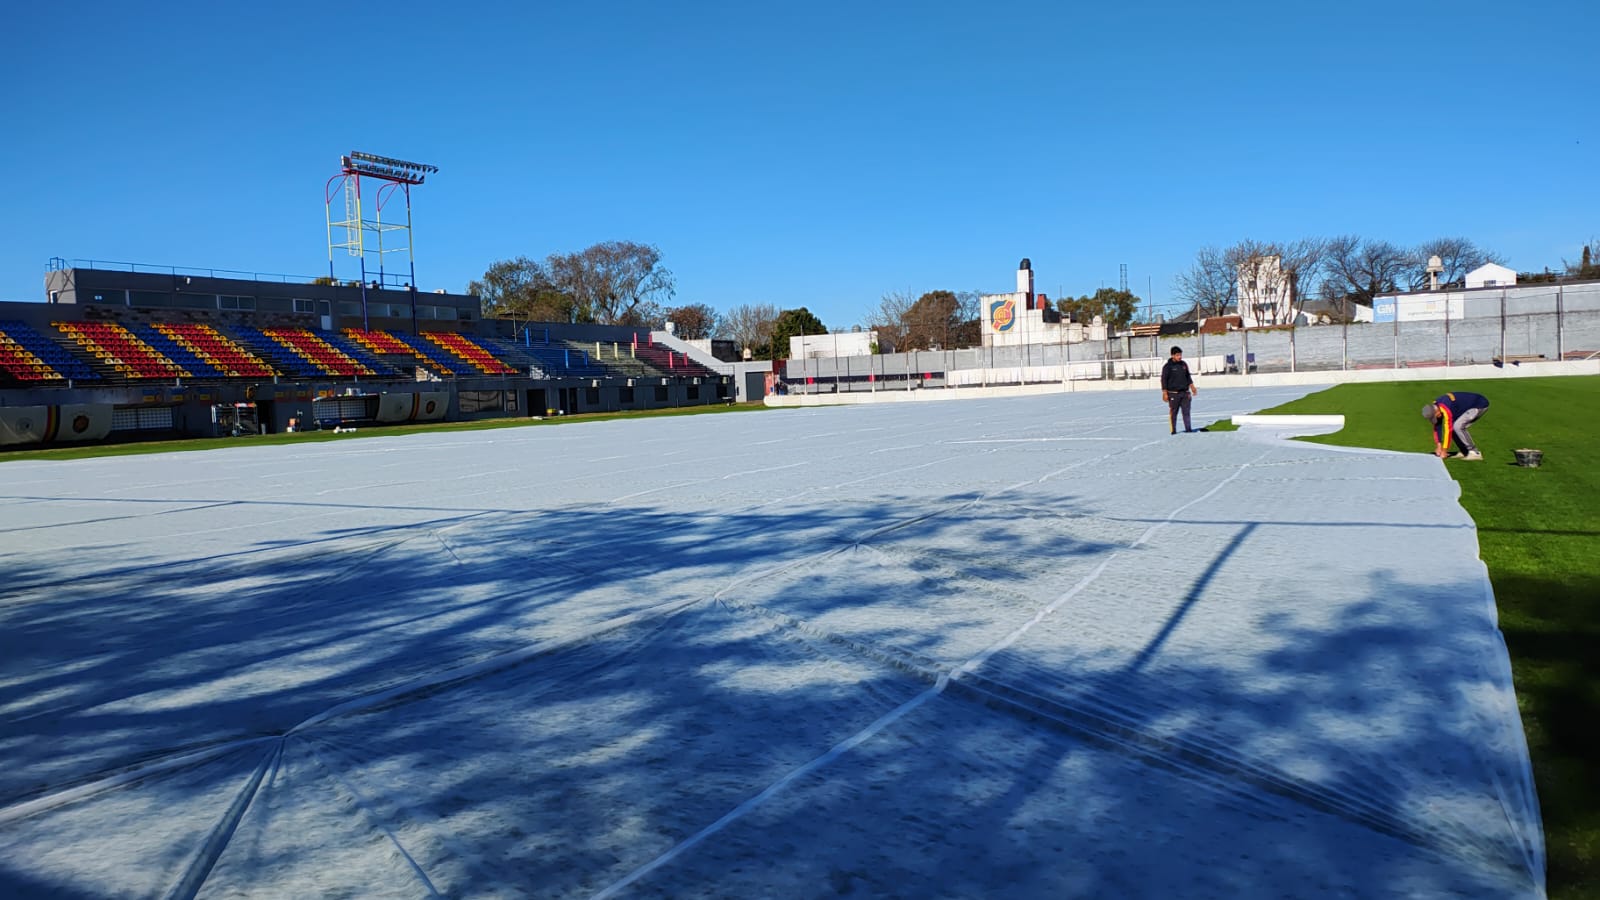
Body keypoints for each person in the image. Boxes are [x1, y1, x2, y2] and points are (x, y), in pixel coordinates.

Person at [1422, 391, 1489, 460]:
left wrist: (1444, 451)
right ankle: (1465, 452)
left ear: (1436, 411)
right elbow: (1437, 426)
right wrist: (1439, 446)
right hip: (1463, 408)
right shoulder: (1436, 407)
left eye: (1435, 416)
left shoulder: (1445, 408)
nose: (1436, 418)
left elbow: (1448, 430)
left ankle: (1475, 452)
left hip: (1478, 405)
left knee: (1457, 426)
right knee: (1454, 428)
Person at [1161, 345, 1198, 434]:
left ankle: (1188, 429)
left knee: (1186, 412)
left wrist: (1192, 387)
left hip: (1185, 393)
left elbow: (1188, 376)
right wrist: (1165, 393)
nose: (1180, 357)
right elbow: (1163, 380)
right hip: (1173, 393)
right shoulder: (1167, 367)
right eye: (1177, 355)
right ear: (1172, 355)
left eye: (1180, 355)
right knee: (1173, 413)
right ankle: (1173, 430)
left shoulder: (1183, 364)